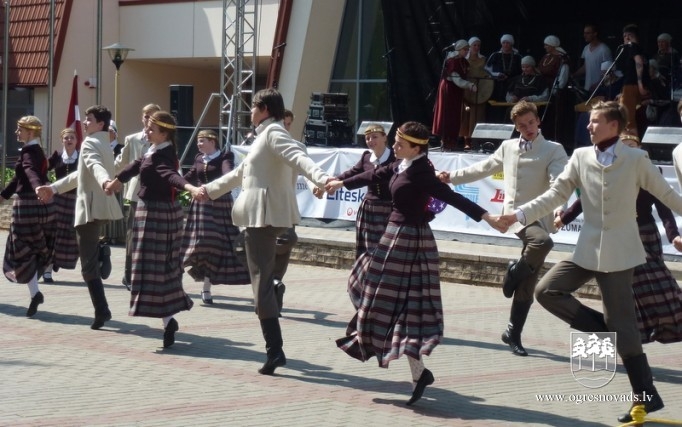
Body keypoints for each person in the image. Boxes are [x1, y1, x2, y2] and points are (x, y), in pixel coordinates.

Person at [498, 101, 682, 422]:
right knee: (547, 290)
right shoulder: (581, 156)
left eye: (595, 121)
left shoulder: (637, 159)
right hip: (586, 250)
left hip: (621, 254)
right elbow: (556, 194)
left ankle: (646, 395)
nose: (589, 126)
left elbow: (669, 197)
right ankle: (613, 332)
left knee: (623, 328)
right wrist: (520, 214)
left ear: (614, 126)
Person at [326, 121, 506, 406]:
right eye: (395, 142)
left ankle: (392, 352)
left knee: (396, 305)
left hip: (410, 240)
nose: (394, 147)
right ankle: (418, 372)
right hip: (392, 238)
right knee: (366, 287)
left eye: (399, 144)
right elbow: (373, 174)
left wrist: (489, 217)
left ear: (416, 147)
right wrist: (339, 183)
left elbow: (453, 197)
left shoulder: (422, 172)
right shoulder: (401, 165)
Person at [195, 88, 332, 374]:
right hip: (263, 216)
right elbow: (239, 174)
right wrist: (208, 190)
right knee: (260, 278)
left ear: (266, 109)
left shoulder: (273, 133)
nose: (250, 112)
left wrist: (321, 178)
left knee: (260, 285)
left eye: (254, 107)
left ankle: (275, 350)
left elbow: (298, 156)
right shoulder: (264, 136)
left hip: (263, 217)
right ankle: (274, 304)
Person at [437, 100, 568, 357]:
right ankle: (514, 273)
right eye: (521, 125)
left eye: (531, 122)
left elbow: (559, 184)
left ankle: (512, 332)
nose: (527, 128)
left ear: (538, 120)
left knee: (528, 283)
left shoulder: (554, 149)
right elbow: (483, 168)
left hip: (539, 216)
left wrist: (560, 208)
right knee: (542, 243)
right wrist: (452, 177)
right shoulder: (508, 147)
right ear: (516, 126)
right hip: (514, 217)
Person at [556, 132, 682, 344]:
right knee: (630, 288)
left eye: (633, 145)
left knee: (660, 282)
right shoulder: (609, 172)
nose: (630, 149)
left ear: (641, 149)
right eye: (625, 146)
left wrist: (675, 236)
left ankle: (671, 325)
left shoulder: (652, 171)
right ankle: (637, 333)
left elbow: (665, 207)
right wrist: (564, 219)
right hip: (620, 236)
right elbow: (585, 199)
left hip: (646, 236)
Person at [107, 111, 200, 347]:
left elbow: (171, 176)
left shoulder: (163, 156)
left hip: (158, 215)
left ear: (164, 132)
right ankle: (168, 321)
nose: (146, 132)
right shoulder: (154, 150)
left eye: (151, 129)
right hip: (150, 212)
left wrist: (189, 187)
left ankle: (169, 320)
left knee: (158, 269)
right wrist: (116, 181)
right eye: (147, 128)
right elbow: (135, 165)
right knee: (155, 269)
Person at [36, 106, 123, 330]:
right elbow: (81, 174)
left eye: (89, 119)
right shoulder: (104, 141)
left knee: (87, 265)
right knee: (89, 257)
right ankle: (101, 253)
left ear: (100, 123)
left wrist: (104, 181)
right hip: (101, 207)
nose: (85, 122)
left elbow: (94, 166)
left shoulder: (90, 143)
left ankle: (102, 310)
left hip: (90, 208)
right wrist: (54, 188)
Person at [180, 129, 249, 305]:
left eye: (202, 140)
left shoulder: (224, 157)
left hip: (219, 203)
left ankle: (206, 286)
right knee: (200, 242)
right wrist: (176, 183)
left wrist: (216, 185)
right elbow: (189, 177)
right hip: (201, 205)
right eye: (198, 141)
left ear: (213, 141)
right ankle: (179, 278)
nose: (199, 144)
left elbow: (228, 174)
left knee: (216, 245)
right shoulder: (198, 158)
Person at [1, 116, 55, 317]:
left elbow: (30, 172)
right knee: (30, 250)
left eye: (19, 129)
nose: (16, 133)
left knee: (22, 249)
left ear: (30, 133)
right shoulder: (36, 151)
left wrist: (37, 187)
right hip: (36, 205)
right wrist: (3, 196)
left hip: (26, 207)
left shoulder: (29, 152)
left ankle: (35, 292)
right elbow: (19, 177)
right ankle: (35, 294)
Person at [333, 123, 394, 294]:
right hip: (370, 209)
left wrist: (340, 183)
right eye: (367, 138)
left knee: (386, 249)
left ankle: (384, 283)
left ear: (384, 138)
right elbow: (351, 173)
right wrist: (330, 182)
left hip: (389, 209)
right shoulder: (366, 157)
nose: (370, 141)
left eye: (375, 137)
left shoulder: (395, 158)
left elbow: (371, 177)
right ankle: (366, 283)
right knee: (368, 249)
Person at [115, 103, 161, 290]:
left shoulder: (162, 138)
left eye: (153, 116)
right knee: (133, 233)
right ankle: (129, 274)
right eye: (146, 116)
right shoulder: (132, 139)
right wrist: (107, 174)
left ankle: (149, 274)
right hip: (136, 192)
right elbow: (122, 163)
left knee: (151, 235)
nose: (149, 119)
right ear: (142, 118)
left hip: (156, 191)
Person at [42, 128, 80, 283]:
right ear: (62, 140)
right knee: (52, 234)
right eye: (66, 138)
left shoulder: (82, 157)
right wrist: (46, 184)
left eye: (72, 138)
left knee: (69, 235)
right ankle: (47, 269)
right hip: (57, 201)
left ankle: (58, 261)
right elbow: (42, 169)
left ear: (77, 141)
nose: (69, 140)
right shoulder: (57, 156)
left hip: (75, 201)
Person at [432, 39, 477, 151]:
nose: (466, 51)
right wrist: (469, 85)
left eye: (467, 49)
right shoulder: (452, 61)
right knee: (447, 115)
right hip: (449, 89)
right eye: (464, 49)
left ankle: (452, 141)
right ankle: (446, 141)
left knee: (455, 115)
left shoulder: (463, 62)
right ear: (458, 49)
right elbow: (457, 80)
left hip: (457, 91)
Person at [538, 35, 572, 148]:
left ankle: (555, 141)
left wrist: (556, 89)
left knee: (555, 117)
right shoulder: (547, 57)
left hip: (556, 92)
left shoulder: (562, 58)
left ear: (553, 45)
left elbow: (563, 76)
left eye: (547, 45)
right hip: (544, 90)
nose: (545, 47)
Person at [616, 24, 650, 137]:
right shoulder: (641, 49)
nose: (624, 39)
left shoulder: (632, 47)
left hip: (631, 85)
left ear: (629, 36)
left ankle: (632, 146)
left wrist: (640, 83)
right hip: (636, 86)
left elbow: (638, 63)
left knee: (627, 119)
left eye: (626, 36)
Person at [461, 36, 489, 148]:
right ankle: (466, 140)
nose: (476, 47)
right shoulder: (464, 59)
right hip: (467, 88)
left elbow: (487, 73)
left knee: (477, 114)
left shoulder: (483, 59)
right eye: (474, 45)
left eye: (478, 45)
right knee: (466, 114)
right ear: (470, 46)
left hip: (480, 89)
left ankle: (476, 140)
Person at [101, 120, 126, 245]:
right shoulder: (102, 148)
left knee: (116, 207)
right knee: (105, 207)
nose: (108, 134)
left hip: (117, 181)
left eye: (110, 131)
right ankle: (105, 234)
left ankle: (115, 235)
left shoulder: (121, 148)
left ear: (115, 133)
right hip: (105, 181)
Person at [572, 24, 612, 93]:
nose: (585, 35)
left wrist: (598, 84)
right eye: (584, 33)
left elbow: (608, 71)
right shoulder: (586, 48)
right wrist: (573, 75)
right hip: (588, 88)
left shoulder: (604, 49)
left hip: (600, 89)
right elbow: (585, 66)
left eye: (587, 33)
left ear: (595, 34)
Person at [485, 34, 522, 104]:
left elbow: (522, 72)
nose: (505, 45)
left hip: (513, 86)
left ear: (511, 44)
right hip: (497, 85)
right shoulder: (495, 55)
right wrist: (497, 74)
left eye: (507, 43)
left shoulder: (518, 57)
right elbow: (487, 70)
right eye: (503, 43)